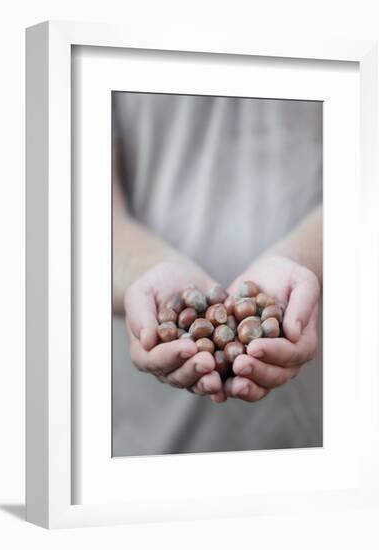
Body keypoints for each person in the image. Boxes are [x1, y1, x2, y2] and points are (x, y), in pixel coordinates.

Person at [112, 92, 323, 456]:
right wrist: (143, 271)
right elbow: (73, 202)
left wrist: (306, 258)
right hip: (146, 435)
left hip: (317, 416)